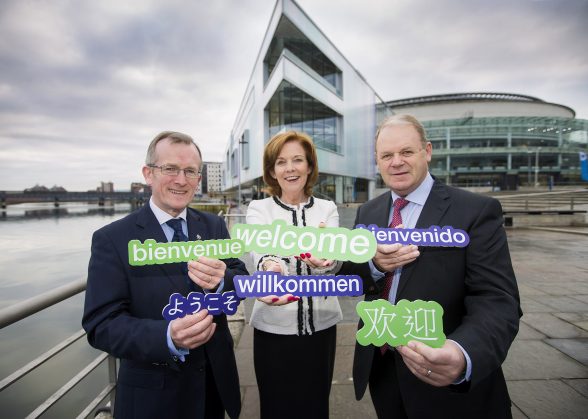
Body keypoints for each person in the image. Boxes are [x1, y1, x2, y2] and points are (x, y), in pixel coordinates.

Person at [342, 114, 521, 418]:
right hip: (382, 369)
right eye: (387, 155)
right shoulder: (368, 212)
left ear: (427, 151)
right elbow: (353, 276)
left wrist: (462, 353)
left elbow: (497, 299)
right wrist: (374, 264)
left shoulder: (475, 211)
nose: (396, 162)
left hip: (446, 382)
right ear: (377, 160)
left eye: (406, 152)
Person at [82, 131, 246, 419]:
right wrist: (167, 336)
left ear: (198, 178)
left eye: (190, 171)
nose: (181, 180)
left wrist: (223, 280)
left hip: (213, 388)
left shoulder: (213, 226)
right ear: (149, 174)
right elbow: (101, 325)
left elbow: (241, 280)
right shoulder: (113, 239)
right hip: (154, 399)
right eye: (170, 168)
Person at [246, 131, 343, 419]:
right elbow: (260, 250)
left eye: (298, 160)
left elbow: (334, 255)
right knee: (276, 407)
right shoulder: (258, 208)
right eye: (281, 162)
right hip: (273, 330)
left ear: (310, 166)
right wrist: (272, 267)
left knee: (316, 406)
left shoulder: (328, 208)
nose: (290, 168)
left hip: (322, 326)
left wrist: (326, 261)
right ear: (272, 170)